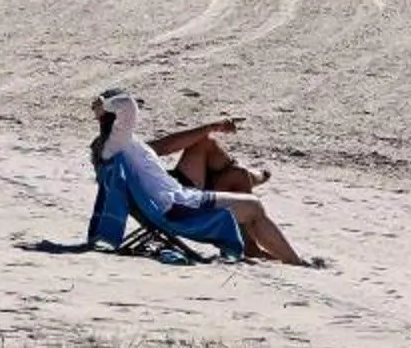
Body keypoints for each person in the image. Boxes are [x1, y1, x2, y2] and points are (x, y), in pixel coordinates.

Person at [91, 92, 313, 266]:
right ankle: (295, 262)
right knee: (254, 207)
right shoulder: (116, 143)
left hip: (177, 198)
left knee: (245, 196)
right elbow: (128, 105)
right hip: (178, 205)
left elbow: (164, 144)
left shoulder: (119, 146)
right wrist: (103, 105)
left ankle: (284, 254)